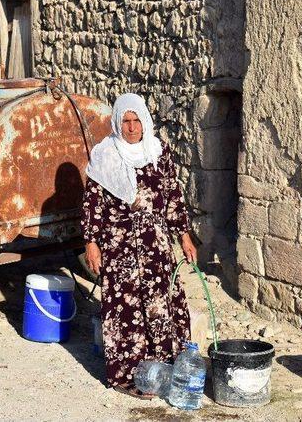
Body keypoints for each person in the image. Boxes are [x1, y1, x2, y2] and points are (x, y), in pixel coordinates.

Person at [80, 93, 196, 399]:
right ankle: (126, 376)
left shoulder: (158, 152)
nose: (132, 128)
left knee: (160, 306)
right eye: (125, 121)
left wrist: (183, 236)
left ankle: (164, 369)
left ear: (145, 122)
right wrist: (92, 243)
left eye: (136, 121)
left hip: (156, 245)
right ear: (117, 123)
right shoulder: (104, 155)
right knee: (124, 310)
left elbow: (172, 196)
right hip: (119, 247)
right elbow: (93, 204)